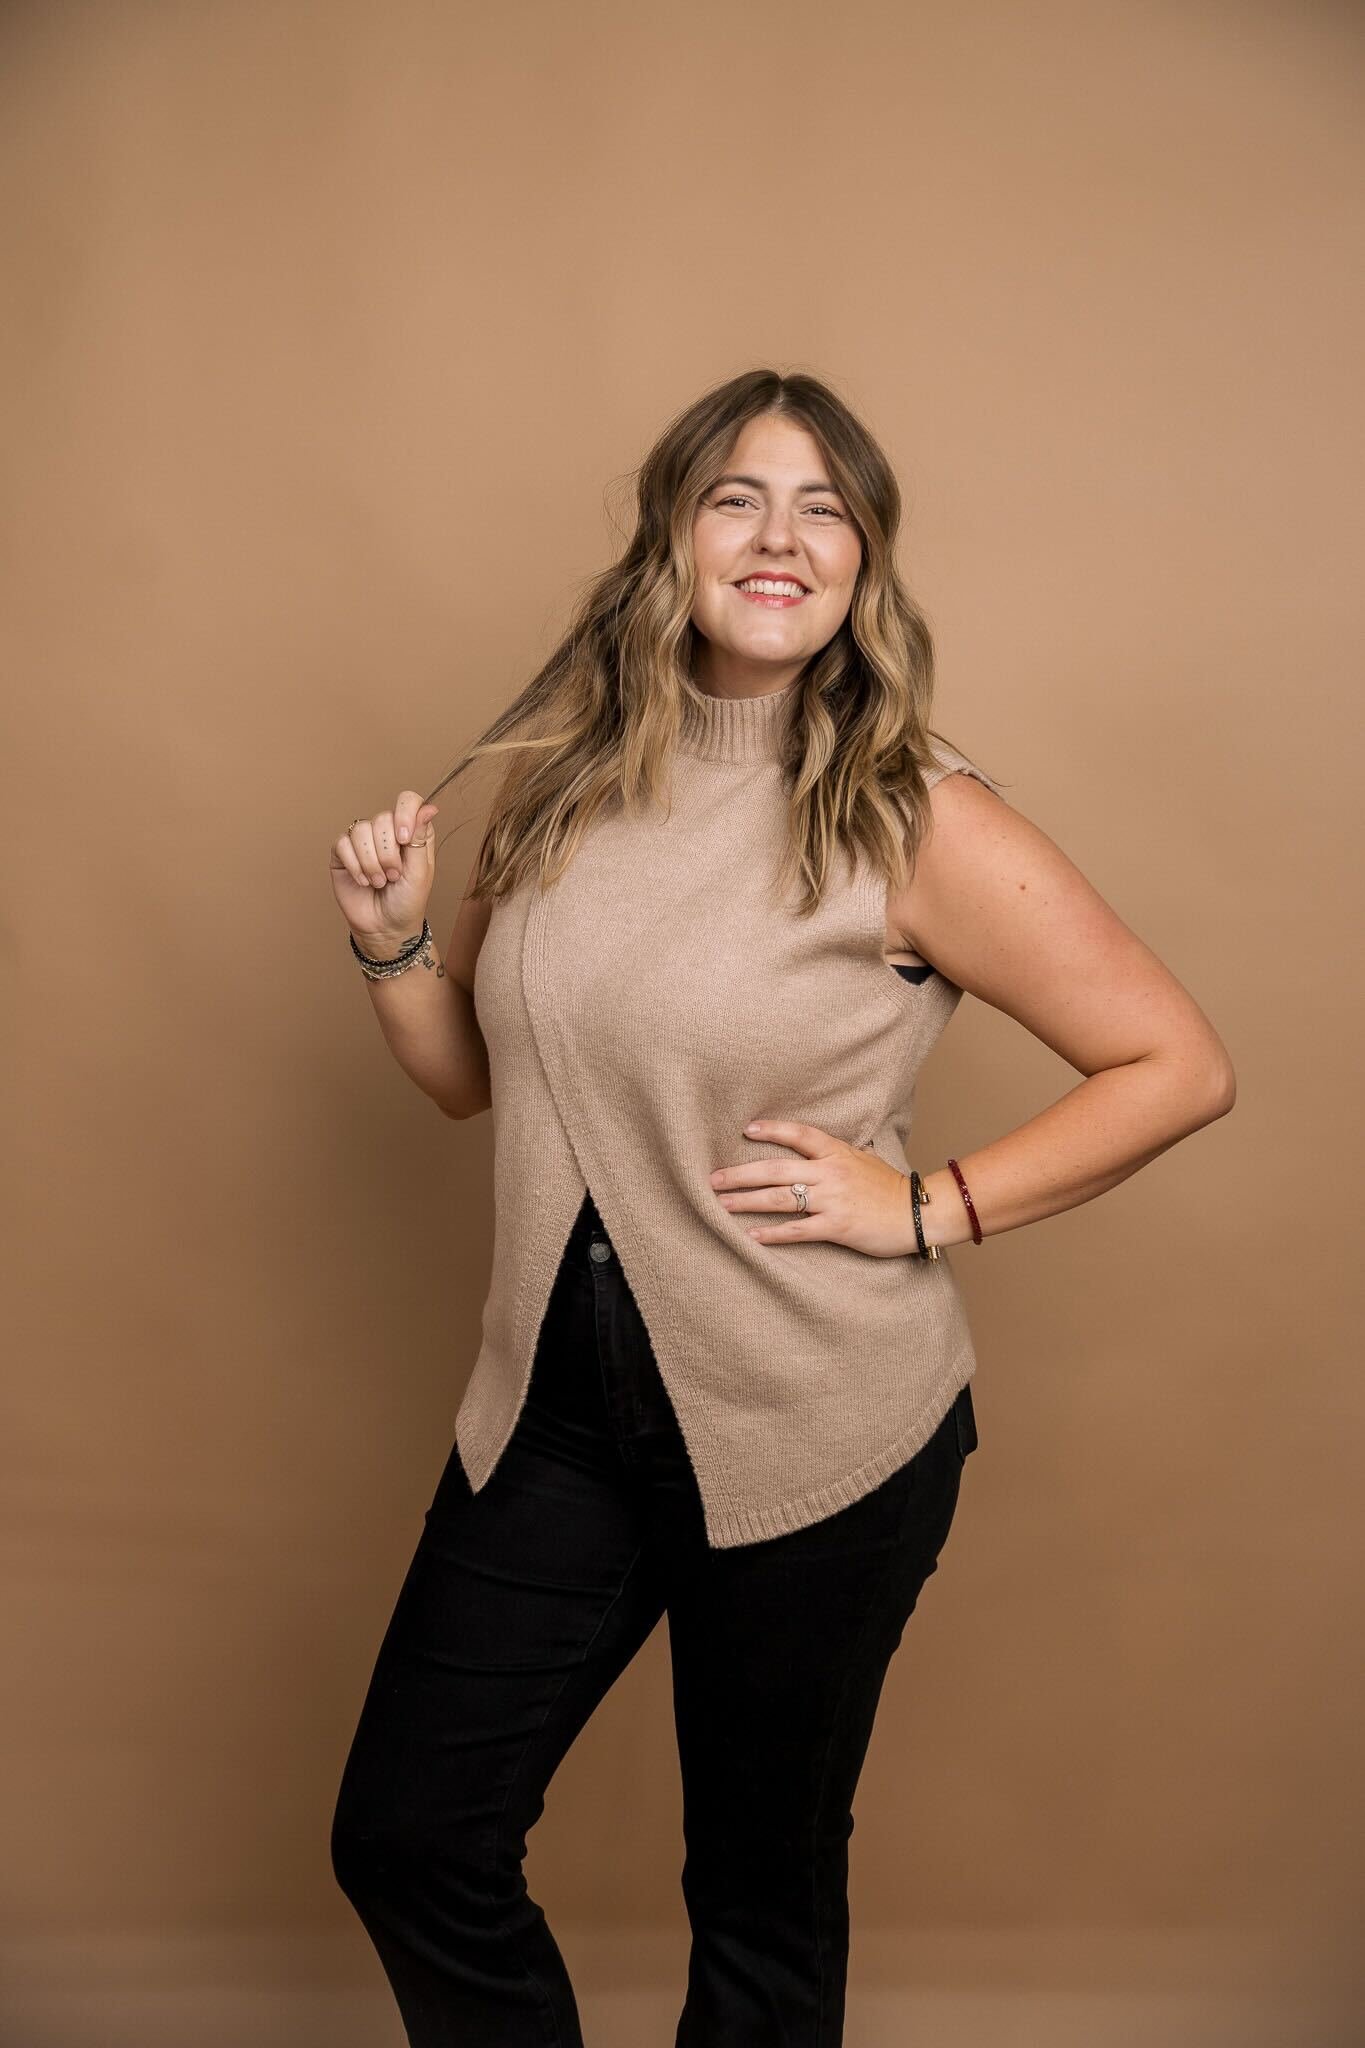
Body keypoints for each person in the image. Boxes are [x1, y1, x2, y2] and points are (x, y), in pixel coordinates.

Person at [324, 368, 1236, 2046]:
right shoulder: (560, 781)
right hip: (550, 1416)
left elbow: (1174, 1064)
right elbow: (471, 1082)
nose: (778, 538)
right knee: (408, 1836)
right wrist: (394, 947)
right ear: (670, 539)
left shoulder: (914, 812)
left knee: (758, 1898)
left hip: (814, 1415)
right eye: (736, 497)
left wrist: (929, 1206)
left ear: (861, 564)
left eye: (824, 510)